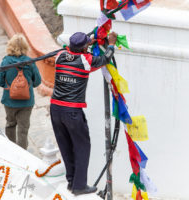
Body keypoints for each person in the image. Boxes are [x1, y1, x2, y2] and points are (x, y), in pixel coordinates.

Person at [50, 31, 117, 195]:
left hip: (55, 108)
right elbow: (105, 58)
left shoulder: (60, 56)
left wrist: (87, 42)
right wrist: (112, 44)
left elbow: (70, 49)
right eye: (87, 45)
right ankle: (79, 186)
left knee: (65, 146)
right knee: (81, 146)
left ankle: (72, 181)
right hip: (72, 110)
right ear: (82, 49)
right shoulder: (86, 61)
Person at [0, 34, 41, 150]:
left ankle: (11, 150)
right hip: (26, 102)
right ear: (25, 47)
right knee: (23, 129)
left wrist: (9, 87)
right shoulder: (30, 62)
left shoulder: (6, 61)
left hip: (9, 101)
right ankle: (23, 153)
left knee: (10, 124)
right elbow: (37, 82)